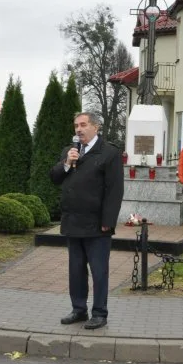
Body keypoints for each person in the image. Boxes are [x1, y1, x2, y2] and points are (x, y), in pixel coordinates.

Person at [49, 112, 124, 330]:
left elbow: (114, 190)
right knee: (76, 269)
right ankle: (79, 309)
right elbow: (54, 177)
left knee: (99, 270)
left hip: (96, 224)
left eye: (83, 125)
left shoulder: (109, 153)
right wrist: (66, 162)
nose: (78, 130)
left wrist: (108, 220)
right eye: (76, 126)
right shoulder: (70, 152)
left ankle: (99, 313)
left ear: (95, 127)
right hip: (73, 222)